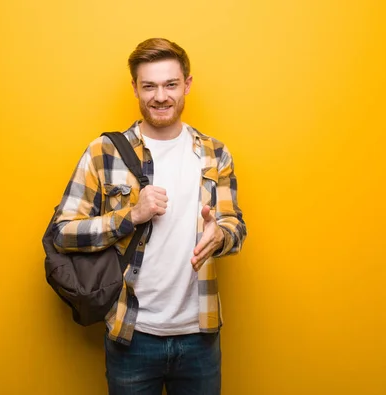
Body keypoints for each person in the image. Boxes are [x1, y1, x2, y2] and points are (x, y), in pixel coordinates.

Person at [52, 38, 247, 395]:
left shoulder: (215, 154)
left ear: (187, 84)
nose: (160, 96)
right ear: (135, 88)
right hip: (132, 334)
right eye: (149, 86)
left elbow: (235, 225)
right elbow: (62, 233)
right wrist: (130, 215)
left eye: (171, 84)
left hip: (200, 335)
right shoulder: (104, 152)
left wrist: (221, 236)